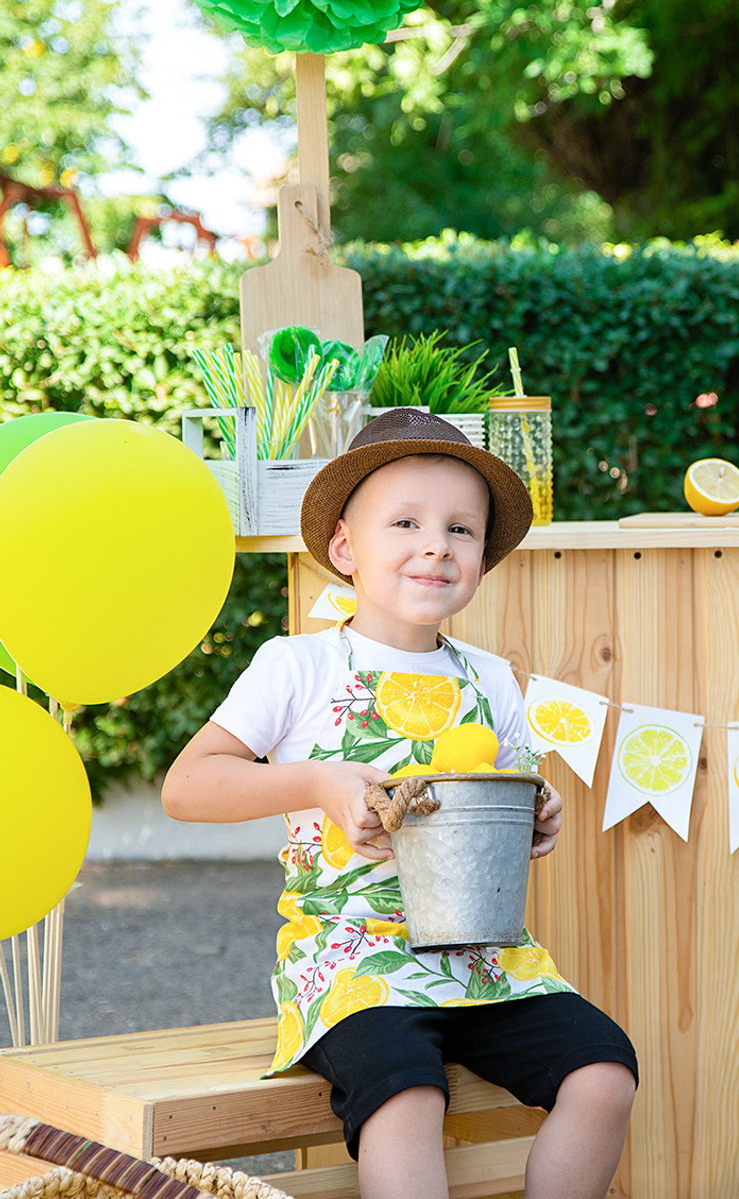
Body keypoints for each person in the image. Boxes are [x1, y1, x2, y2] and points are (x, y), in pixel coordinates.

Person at [163, 408, 637, 1199]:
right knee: (407, 1092)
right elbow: (189, 785)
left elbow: (507, 797)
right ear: (346, 547)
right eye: (407, 522)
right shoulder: (299, 665)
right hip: (352, 956)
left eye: (461, 529)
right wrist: (319, 779)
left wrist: (538, 814)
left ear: (482, 554)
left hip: (487, 959)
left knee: (603, 1071)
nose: (435, 545)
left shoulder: (491, 678)